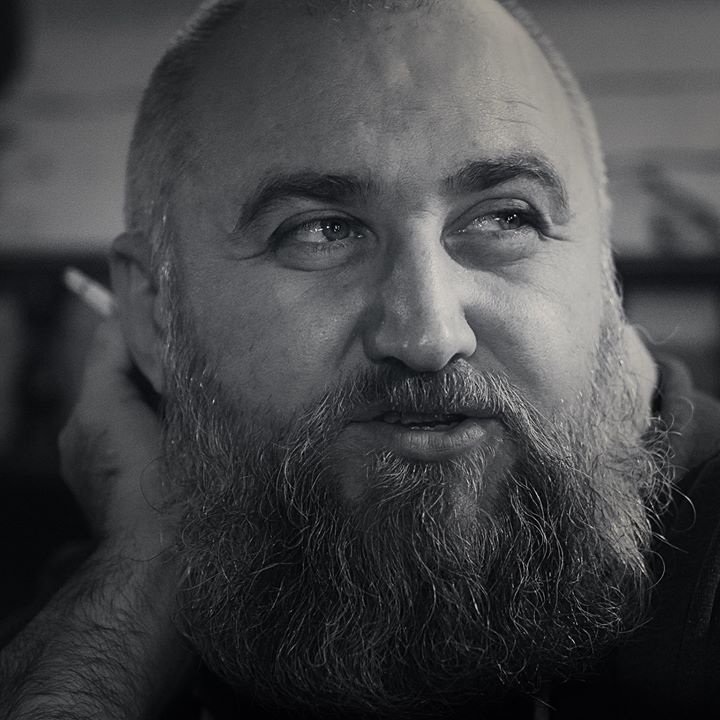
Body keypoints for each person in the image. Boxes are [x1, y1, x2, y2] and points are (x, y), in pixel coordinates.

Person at [2, 0, 720, 717]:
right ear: (157, 315)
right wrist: (139, 578)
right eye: (321, 231)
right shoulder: (71, 625)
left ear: (601, 275)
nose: (428, 336)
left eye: (507, 218)